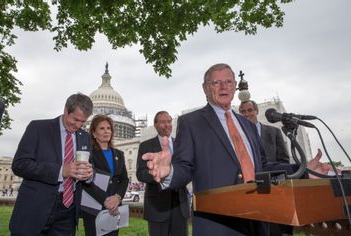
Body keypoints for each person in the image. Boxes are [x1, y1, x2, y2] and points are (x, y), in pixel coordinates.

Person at [143, 63, 336, 236]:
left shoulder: (248, 125)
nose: (223, 86)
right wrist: (169, 172)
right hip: (217, 224)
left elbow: (264, 167)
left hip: (259, 220)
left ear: (235, 86)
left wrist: (303, 170)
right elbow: (184, 167)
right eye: (216, 82)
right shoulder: (191, 123)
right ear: (205, 88)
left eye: (228, 81)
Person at [9, 93, 94, 236]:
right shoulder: (38, 128)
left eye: (83, 122)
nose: (78, 125)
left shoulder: (85, 137)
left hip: (68, 210)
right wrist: (61, 171)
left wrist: (89, 174)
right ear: (66, 110)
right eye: (75, 119)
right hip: (35, 208)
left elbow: (90, 166)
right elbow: (20, 164)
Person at [239, 100, 292, 235]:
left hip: (274, 191)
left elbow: (284, 160)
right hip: (250, 192)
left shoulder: (274, 132)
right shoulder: (238, 137)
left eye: (250, 110)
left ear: (256, 111)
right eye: (243, 111)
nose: (246, 114)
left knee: (276, 230)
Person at [136, 111, 190, 236]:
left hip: (180, 205)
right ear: (155, 125)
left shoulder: (181, 144)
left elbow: (188, 169)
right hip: (157, 206)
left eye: (169, 121)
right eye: (162, 122)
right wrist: (157, 173)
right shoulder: (146, 146)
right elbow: (140, 173)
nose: (167, 125)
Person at [81, 114, 129, 236]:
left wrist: (117, 198)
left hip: (115, 208)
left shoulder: (119, 154)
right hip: (94, 207)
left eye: (108, 128)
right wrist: (106, 200)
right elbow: (85, 180)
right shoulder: (88, 153)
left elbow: (123, 179)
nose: (106, 131)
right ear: (94, 133)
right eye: (102, 128)